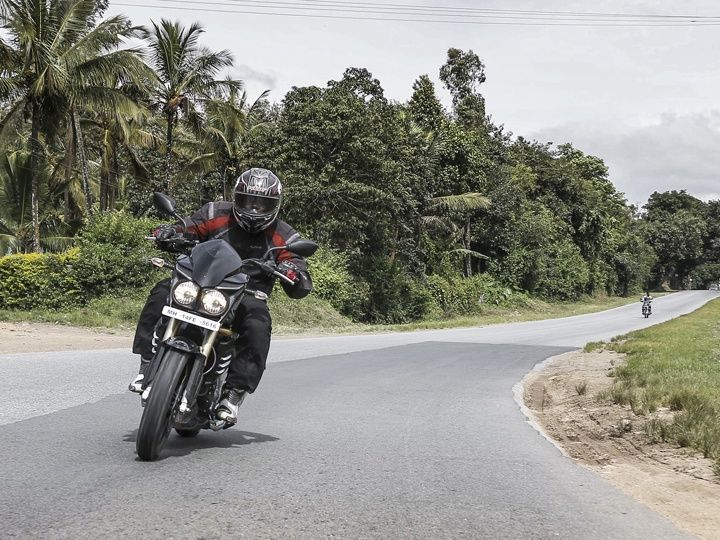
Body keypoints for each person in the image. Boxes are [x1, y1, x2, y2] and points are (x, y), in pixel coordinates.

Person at [130, 168, 313, 423]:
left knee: (258, 324)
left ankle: (234, 393)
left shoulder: (283, 235)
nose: (255, 209)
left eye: (262, 204)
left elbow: (296, 262)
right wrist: (170, 232)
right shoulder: (215, 213)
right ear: (236, 198)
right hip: (200, 283)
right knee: (162, 292)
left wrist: (293, 271)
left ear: (275, 205)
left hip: (245, 294)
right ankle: (146, 362)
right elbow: (188, 227)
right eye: (249, 201)